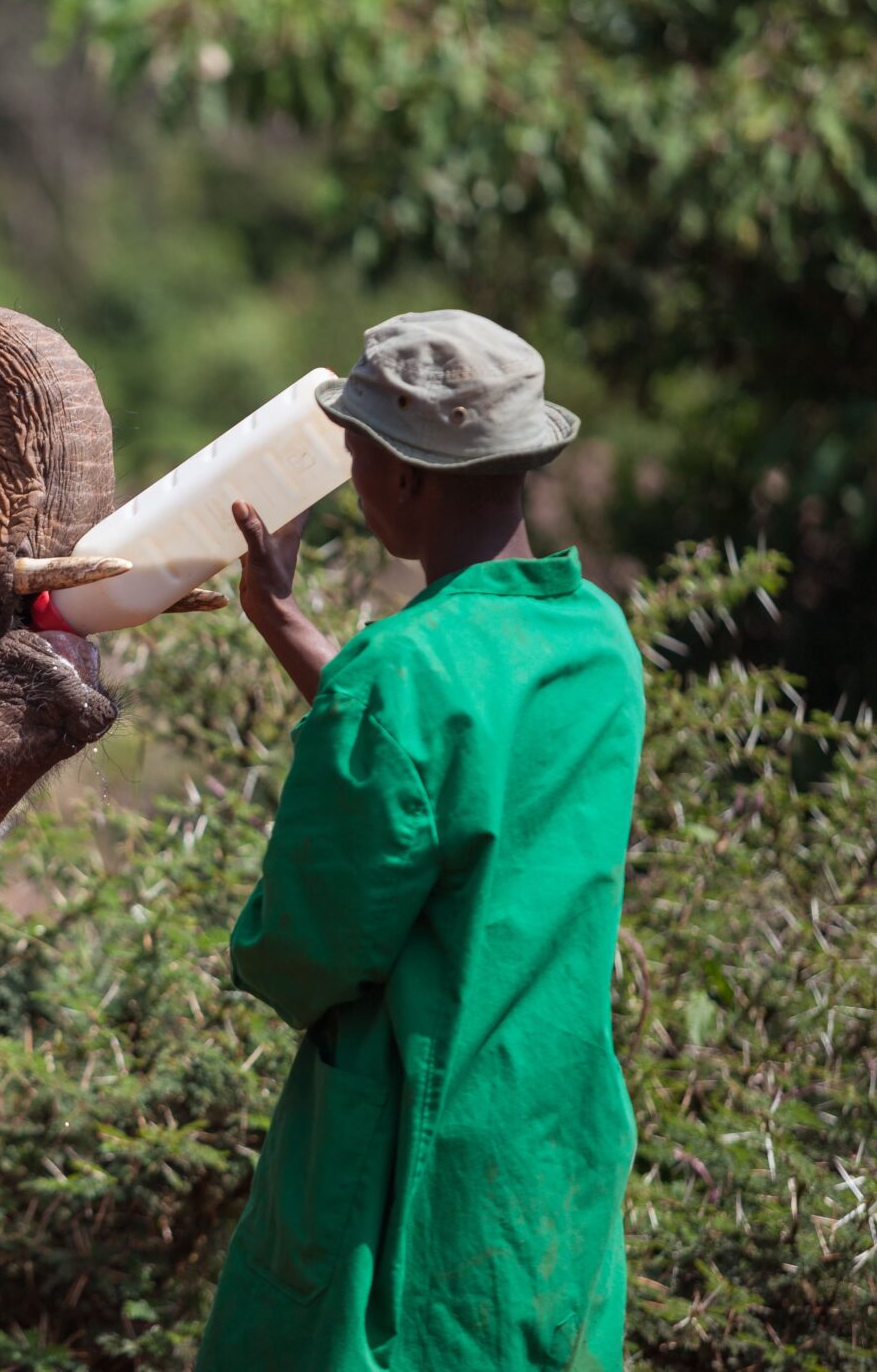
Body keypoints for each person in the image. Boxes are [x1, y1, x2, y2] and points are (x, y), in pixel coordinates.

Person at [193, 310, 644, 1371]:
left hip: (406, 1162)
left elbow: (303, 946)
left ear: (402, 480)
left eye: (355, 459)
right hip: (546, 1151)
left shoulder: (398, 672)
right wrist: (289, 629)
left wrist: (253, 946)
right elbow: (459, 764)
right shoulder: (595, 640)